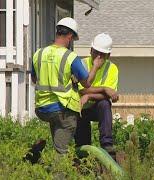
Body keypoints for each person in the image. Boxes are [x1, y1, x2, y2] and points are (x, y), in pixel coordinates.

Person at [31, 17, 104, 155]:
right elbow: (86, 83)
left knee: (58, 142)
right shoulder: (70, 57)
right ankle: (57, 171)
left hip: (42, 109)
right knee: (61, 152)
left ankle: (38, 157)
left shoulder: (38, 54)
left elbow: (35, 79)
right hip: (62, 110)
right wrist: (95, 66)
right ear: (70, 36)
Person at [74, 33, 119, 158]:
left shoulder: (112, 68)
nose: (98, 57)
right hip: (81, 108)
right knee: (82, 143)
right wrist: (104, 89)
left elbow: (108, 96)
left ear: (108, 55)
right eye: (95, 52)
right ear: (90, 50)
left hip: (97, 108)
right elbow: (80, 90)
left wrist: (89, 95)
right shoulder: (81, 64)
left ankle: (107, 145)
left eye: (102, 55)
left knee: (105, 104)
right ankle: (82, 152)